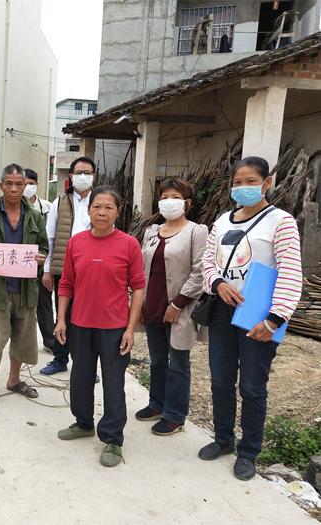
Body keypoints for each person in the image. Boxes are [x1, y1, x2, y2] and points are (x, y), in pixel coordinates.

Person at [199, 156, 302, 480]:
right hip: (222, 310)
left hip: (260, 314)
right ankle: (223, 439)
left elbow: (290, 272)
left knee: (254, 387)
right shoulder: (222, 222)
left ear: (267, 182)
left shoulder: (280, 221)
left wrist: (274, 319)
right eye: (238, 182)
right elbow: (207, 262)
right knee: (220, 381)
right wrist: (217, 283)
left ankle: (249, 452)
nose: (243, 187)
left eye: (250, 181)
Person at [54, 187, 145, 467]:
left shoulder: (129, 244)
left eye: (108, 207)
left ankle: (113, 438)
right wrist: (61, 319)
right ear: (89, 210)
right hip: (80, 324)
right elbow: (66, 283)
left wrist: (130, 329)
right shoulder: (76, 243)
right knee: (80, 377)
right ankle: (83, 423)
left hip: (114, 327)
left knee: (114, 382)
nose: (102, 212)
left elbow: (138, 288)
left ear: (118, 211)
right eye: (97, 207)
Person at [0, 164, 49, 406]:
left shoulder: (35, 217)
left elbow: (44, 247)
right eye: (9, 184)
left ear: (25, 186)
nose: (14, 189)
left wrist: (41, 257)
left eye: (19, 184)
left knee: (23, 337)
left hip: (25, 290)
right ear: (2, 185)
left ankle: (14, 380)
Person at [136, 178, 208, 436]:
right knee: (157, 360)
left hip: (179, 308)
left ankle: (175, 415)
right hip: (152, 304)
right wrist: (141, 303)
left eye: (175, 197)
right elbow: (144, 269)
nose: (169, 201)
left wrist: (178, 304)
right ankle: (156, 403)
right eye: (165, 196)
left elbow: (200, 272)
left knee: (178, 362)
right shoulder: (152, 231)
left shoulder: (196, 231)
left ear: (187, 203)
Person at [41, 157, 97, 376]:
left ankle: (86, 366)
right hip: (66, 270)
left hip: (93, 270)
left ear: (94, 175)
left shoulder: (100, 201)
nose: (83, 177)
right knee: (62, 315)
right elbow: (50, 237)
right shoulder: (60, 202)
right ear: (71, 175)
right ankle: (60, 358)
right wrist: (47, 269)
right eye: (78, 172)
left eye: (87, 172)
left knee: (88, 319)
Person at [23, 168, 54, 353]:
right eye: (24, 183)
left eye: (31, 184)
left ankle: (49, 340)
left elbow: (50, 237)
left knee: (44, 302)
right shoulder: (13, 208)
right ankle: (22, 342)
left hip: (41, 263)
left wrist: (47, 264)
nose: (28, 187)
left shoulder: (47, 207)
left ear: (37, 184)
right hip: (20, 263)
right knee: (20, 304)